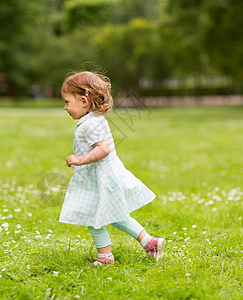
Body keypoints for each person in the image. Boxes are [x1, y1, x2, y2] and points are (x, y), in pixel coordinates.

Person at [58, 71, 165, 266]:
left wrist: (81, 160)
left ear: (83, 101)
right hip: (100, 176)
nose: (65, 107)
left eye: (66, 101)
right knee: (115, 214)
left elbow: (104, 148)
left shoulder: (90, 124)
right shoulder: (93, 120)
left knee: (92, 215)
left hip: (100, 178)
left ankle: (105, 258)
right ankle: (150, 242)